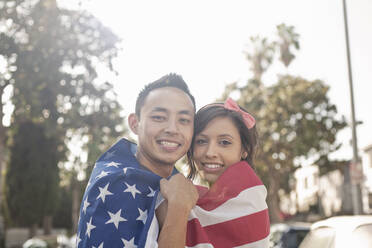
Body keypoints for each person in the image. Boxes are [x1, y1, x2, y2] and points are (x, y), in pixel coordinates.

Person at [76, 73, 198, 248]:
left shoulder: (178, 187)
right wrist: (178, 209)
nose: (172, 129)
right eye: (159, 117)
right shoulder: (116, 186)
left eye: (184, 120)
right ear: (135, 123)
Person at [157, 98, 270, 248]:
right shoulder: (182, 194)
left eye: (224, 142)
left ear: (244, 150)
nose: (210, 153)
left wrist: (177, 208)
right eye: (201, 141)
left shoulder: (250, 203)